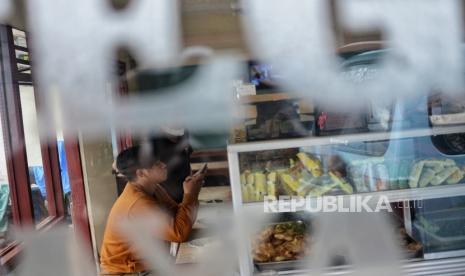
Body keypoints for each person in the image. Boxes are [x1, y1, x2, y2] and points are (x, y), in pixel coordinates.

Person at [100, 145, 205, 275]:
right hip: (127, 272)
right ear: (141, 173)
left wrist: (190, 195)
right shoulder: (137, 202)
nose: (164, 165)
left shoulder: (153, 188)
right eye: (156, 164)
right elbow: (179, 233)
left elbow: (176, 214)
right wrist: (190, 195)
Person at [151, 126, 192, 203]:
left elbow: (187, 156)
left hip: (183, 189)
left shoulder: (184, 132)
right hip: (166, 191)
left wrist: (191, 176)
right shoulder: (156, 143)